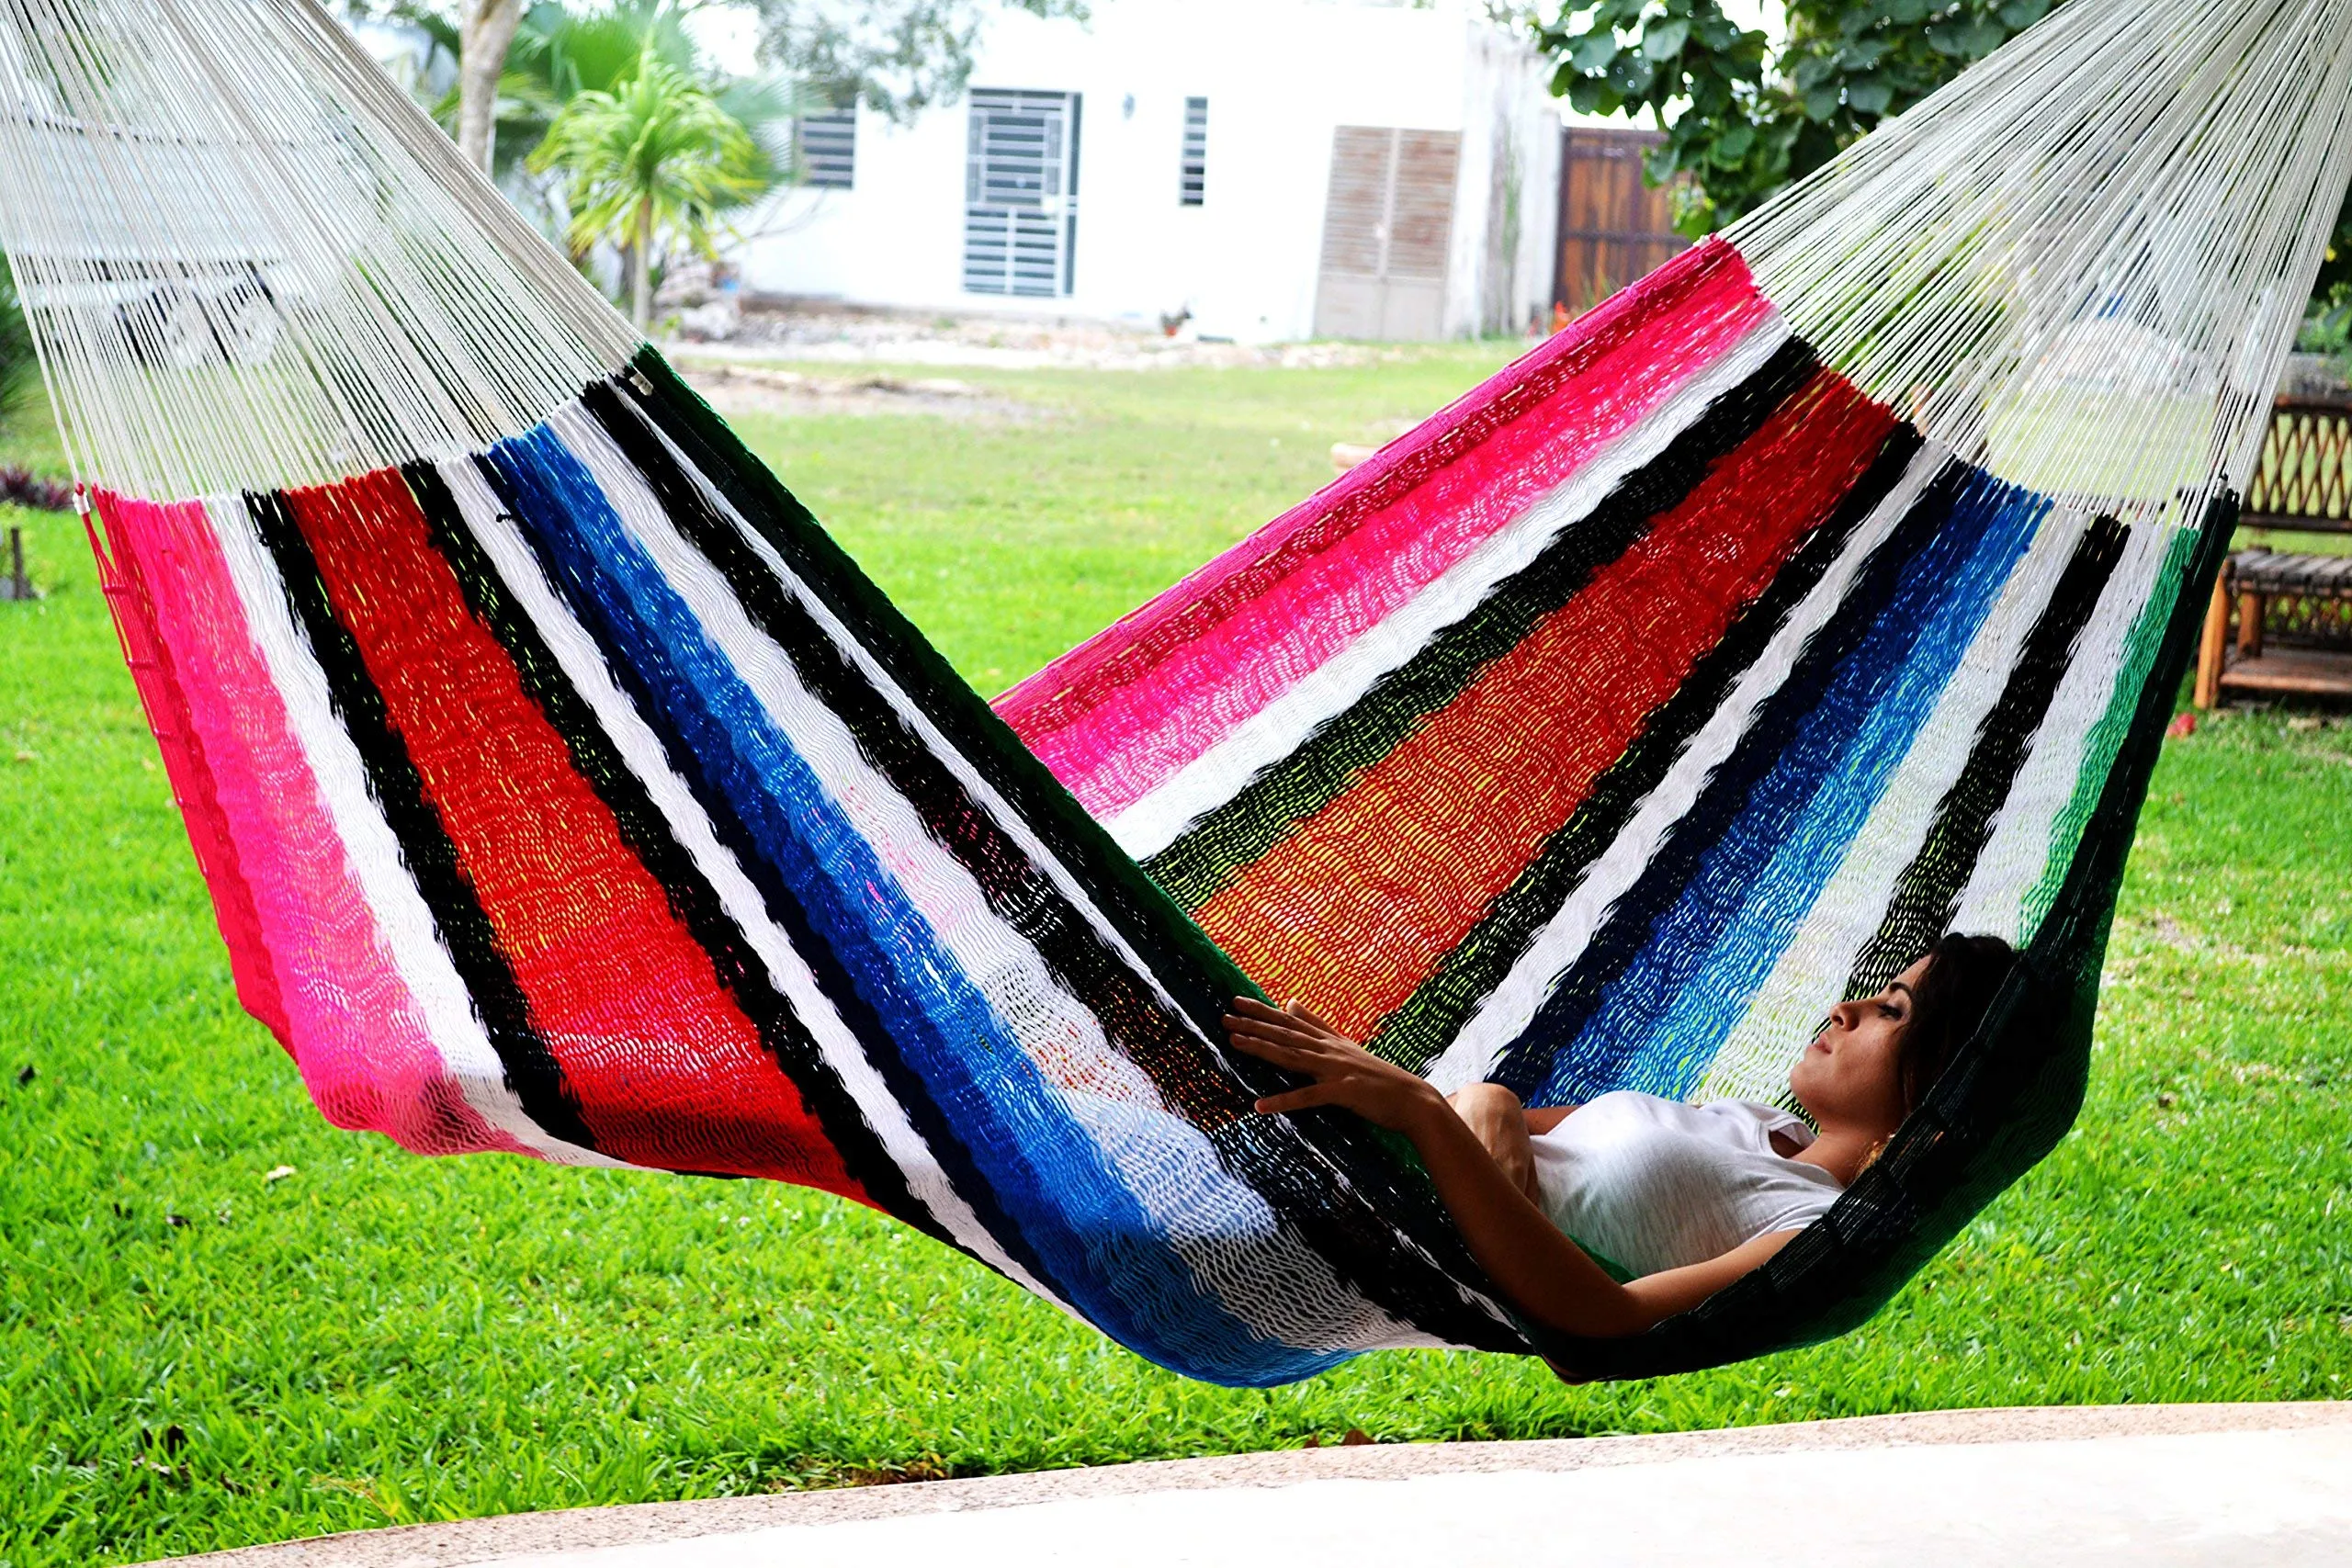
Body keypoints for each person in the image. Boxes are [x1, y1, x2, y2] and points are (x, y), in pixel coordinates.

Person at [1222, 932, 2017, 1340]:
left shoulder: (1807, 1227)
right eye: (1875, 994)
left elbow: (1603, 1326)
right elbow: (1488, 1107)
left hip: (1359, 1240)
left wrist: (1438, 1118)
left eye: (1894, 1013)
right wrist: (1470, 1113)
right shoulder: (1754, 1121)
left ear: (1940, 1091)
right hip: (1366, 1175)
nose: (1846, 1008)